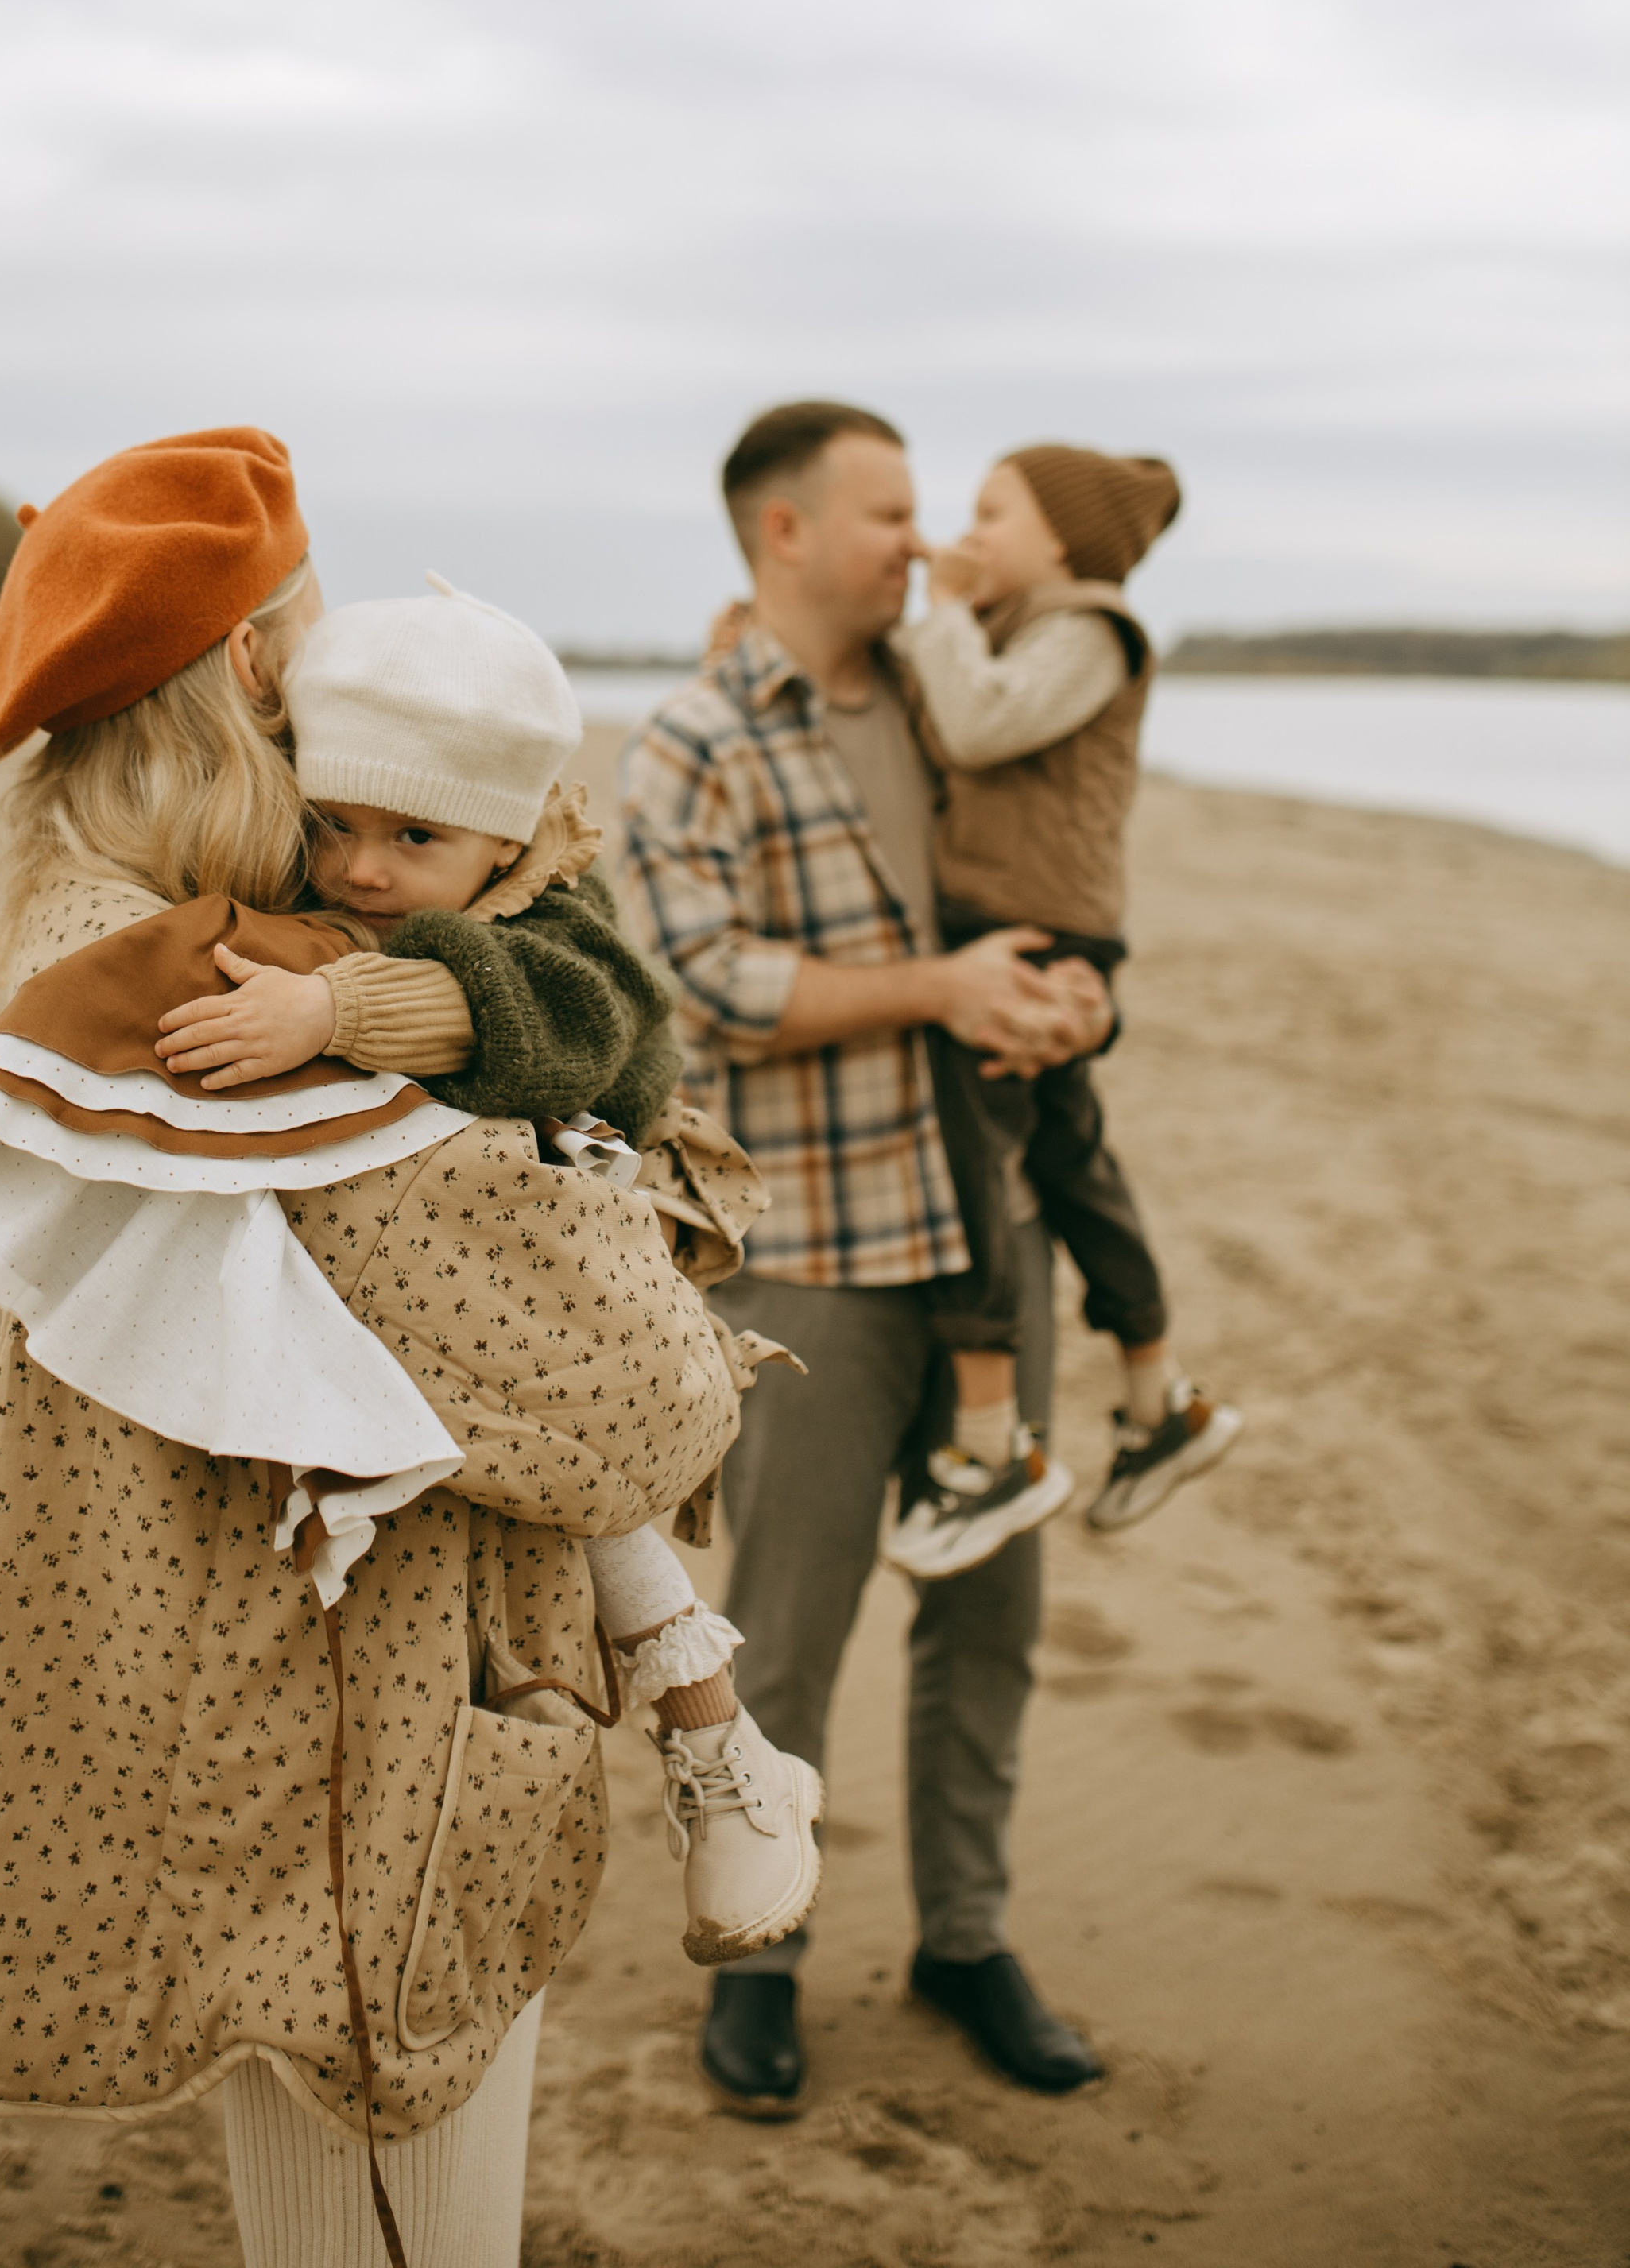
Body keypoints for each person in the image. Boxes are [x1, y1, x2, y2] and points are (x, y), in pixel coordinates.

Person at [0, 428, 749, 2268]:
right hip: (352, 1762)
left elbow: (593, 1010)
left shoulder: (120, 925)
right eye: (298, 644)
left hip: (285, 1734)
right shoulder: (201, 994)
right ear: (249, 675)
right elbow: (639, 1404)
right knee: (390, 2226)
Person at [148, 574, 823, 1969]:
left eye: (414, 836)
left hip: (567, 1259)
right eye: (332, 825)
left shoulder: (559, 918)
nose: (363, 870)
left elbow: (561, 1018)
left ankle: (718, 1744)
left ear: (505, 834)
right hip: (424, 1286)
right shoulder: (337, 880)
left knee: (592, 1489)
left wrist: (336, 1004)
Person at [620, 397, 1115, 2118]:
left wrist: (1073, 993)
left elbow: (1043, 885)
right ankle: (756, 1966)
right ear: (781, 534)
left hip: (993, 1244)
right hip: (812, 1260)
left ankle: (965, 1938)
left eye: (921, 511)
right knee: (786, 1632)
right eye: (886, 514)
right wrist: (936, 995)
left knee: (991, 1619)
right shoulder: (689, 736)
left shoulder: (952, 701)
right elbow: (700, 987)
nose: (916, 543)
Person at [885, 444, 1242, 1577]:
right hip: (1028, 930)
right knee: (1075, 1161)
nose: (969, 531)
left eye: (995, 512)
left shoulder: (1091, 628)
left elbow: (984, 725)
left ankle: (991, 1446)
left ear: (1067, 541)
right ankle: (1158, 1399)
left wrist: (939, 610)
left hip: (1033, 942)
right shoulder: (1025, 627)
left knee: (970, 1169)